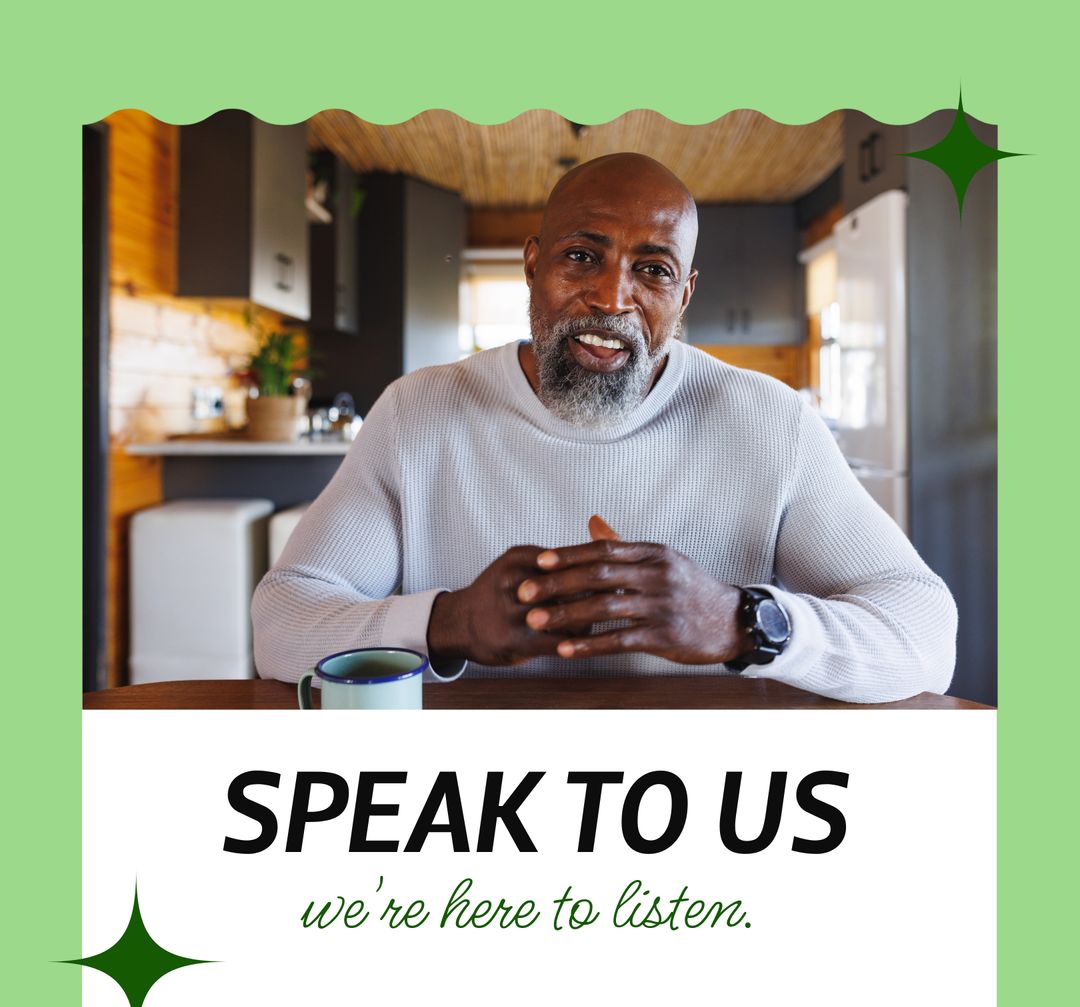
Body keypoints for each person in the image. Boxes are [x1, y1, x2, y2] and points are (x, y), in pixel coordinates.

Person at [252, 153, 957, 703]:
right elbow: (281, 626)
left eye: (651, 270)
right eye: (582, 257)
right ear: (533, 265)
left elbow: (926, 634)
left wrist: (740, 622)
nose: (612, 296)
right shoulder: (417, 413)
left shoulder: (770, 422)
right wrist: (451, 623)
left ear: (683, 296)